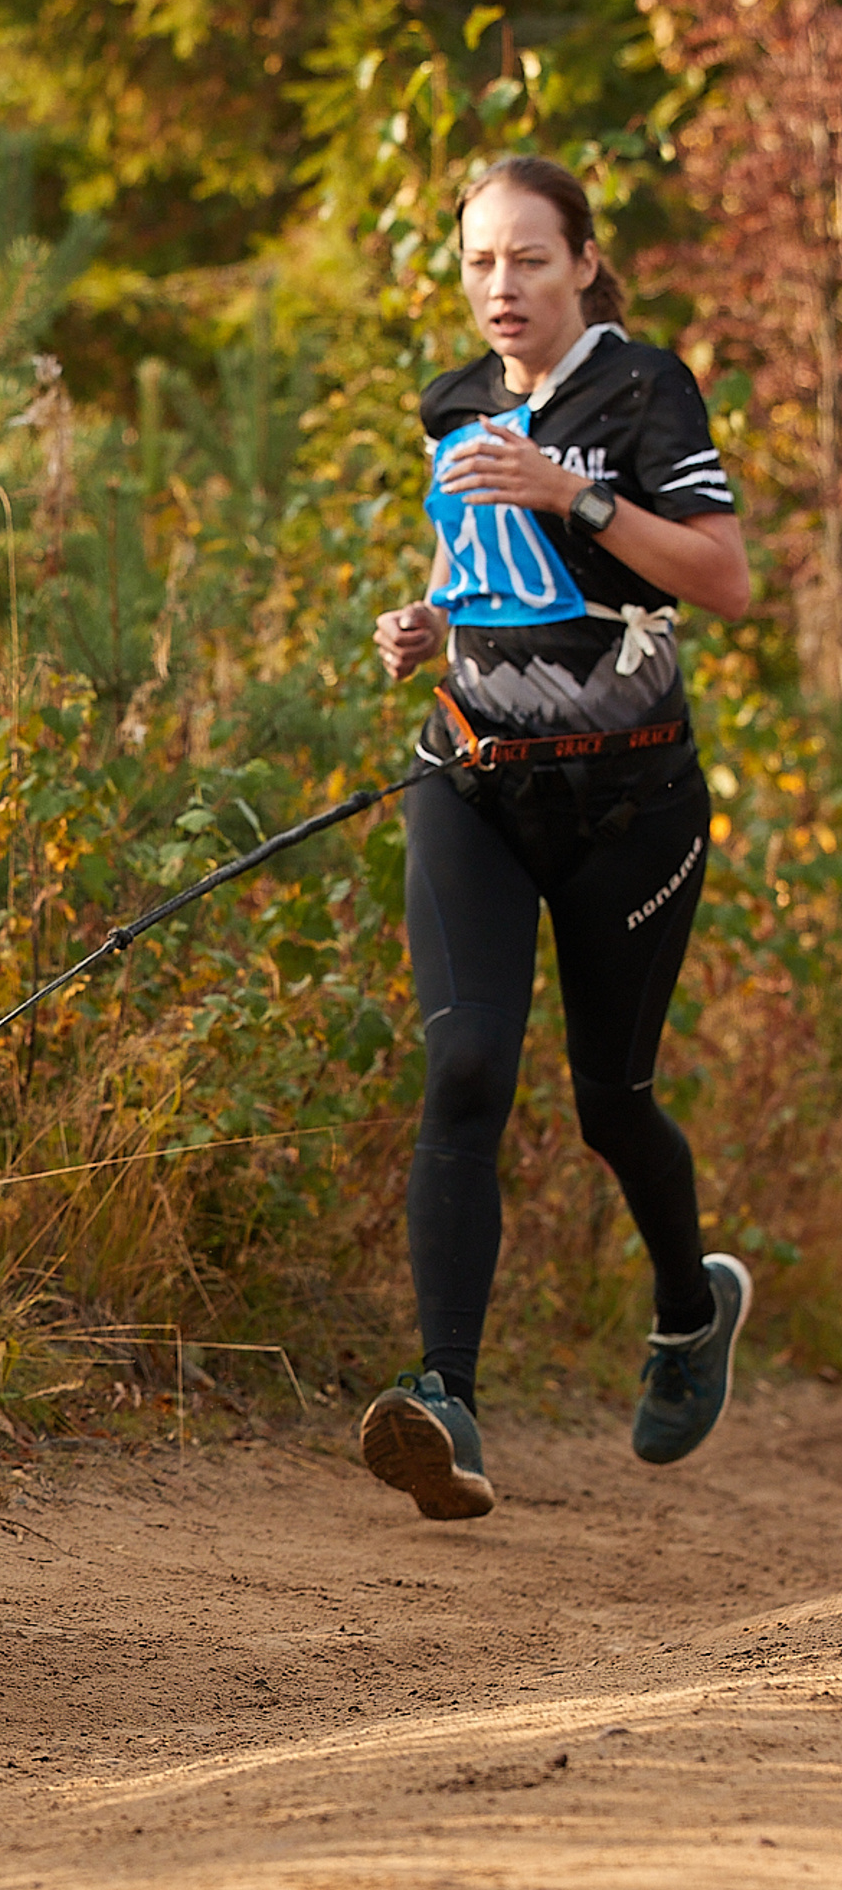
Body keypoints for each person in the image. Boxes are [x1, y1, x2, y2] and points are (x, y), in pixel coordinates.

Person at [359, 155, 753, 1521]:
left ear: (584, 262)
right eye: (478, 263)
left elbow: (726, 579)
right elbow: (476, 572)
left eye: (528, 259)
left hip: (630, 806)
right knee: (467, 1066)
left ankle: (688, 1310)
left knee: (609, 1100)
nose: (500, 288)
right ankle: (446, 1406)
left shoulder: (646, 391)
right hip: (471, 777)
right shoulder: (451, 404)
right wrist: (427, 627)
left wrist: (570, 494)